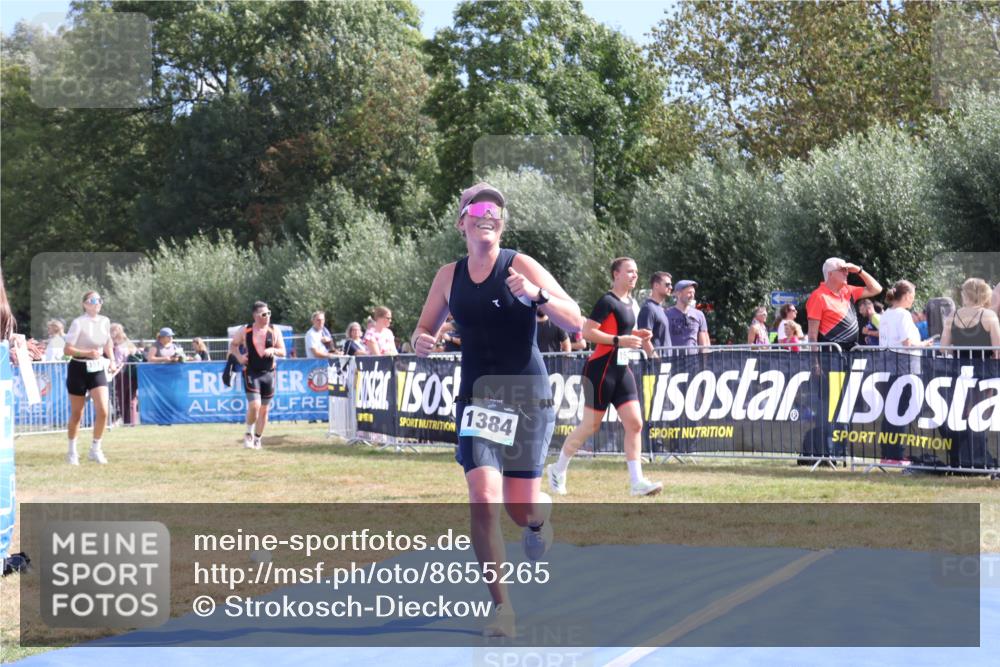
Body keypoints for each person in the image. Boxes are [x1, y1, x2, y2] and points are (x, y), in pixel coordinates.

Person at [410, 182, 581, 639]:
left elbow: (576, 318)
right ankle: (502, 607)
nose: (490, 213)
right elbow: (423, 329)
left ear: (502, 224)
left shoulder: (518, 264)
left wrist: (537, 295)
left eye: (498, 209)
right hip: (478, 397)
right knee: (482, 499)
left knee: (517, 507)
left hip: (526, 393)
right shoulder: (448, 276)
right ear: (462, 220)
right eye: (480, 206)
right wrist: (420, 341)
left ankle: (538, 518)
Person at [548, 257, 661, 498]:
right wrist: (620, 340)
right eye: (629, 271)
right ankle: (557, 470)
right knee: (590, 426)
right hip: (599, 370)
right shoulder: (606, 301)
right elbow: (588, 332)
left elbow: (619, 331)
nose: (634, 276)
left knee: (635, 423)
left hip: (622, 370)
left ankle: (637, 482)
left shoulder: (632, 302)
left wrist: (637, 335)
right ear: (616, 274)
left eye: (637, 272)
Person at [63, 291, 116, 465]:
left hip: (97, 368)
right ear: (85, 304)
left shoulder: (105, 321)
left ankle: (96, 449)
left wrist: (112, 360)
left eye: (99, 300)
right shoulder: (78, 323)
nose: (96, 303)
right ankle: (72, 452)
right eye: (92, 300)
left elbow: (108, 341)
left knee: (103, 410)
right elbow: (67, 350)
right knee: (77, 413)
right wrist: (87, 353)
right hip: (78, 367)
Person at [229, 301, 286, 449]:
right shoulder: (245, 330)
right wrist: (240, 358)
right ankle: (248, 433)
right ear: (255, 316)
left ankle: (258, 439)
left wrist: (273, 350)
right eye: (264, 314)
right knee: (254, 406)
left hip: (269, 373)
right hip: (251, 372)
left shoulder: (274, 330)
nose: (267, 316)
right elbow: (233, 345)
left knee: (264, 409)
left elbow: (283, 351)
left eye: (269, 313)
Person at [805, 257, 882, 352]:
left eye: (847, 270)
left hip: (853, 351)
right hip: (831, 355)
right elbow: (812, 335)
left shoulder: (848, 290)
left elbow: (877, 289)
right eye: (842, 270)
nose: (847, 273)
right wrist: (815, 363)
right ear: (830, 274)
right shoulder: (818, 296)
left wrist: (858, 270)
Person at [941, 278, 1000, 359]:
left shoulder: (952, 316)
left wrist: (957, 352)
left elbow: (943, 348)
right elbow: (997, 349)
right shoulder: (990, 316)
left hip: (958, 368)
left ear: (964, 295)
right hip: (984, 369)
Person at [666, 279, 709, 350]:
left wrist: (704, 359)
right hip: (673, 359)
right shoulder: (667, 314)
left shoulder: (699, 315)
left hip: (693, 359)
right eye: (689, 292)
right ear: (678, 294)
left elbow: (704, 343)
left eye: (693, 293)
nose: (692, 296)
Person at [110, 323, 138, 426]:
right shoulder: (115, 343)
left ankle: (130, 421)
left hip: (125, 372)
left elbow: (132, 353)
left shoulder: (124, 342)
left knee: (128, 397)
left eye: (115, 329)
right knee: (124, 397)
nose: (113, 331)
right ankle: (128, 421)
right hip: (121, 372)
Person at [637, 271, 672, 352]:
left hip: (664, 361)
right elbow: (644, 339)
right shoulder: (648, 308)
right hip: (654, 362)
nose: (670, 287)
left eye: (671, 284)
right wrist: (656, 359)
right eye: (667, 284)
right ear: (656, 285)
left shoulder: (659, 308)